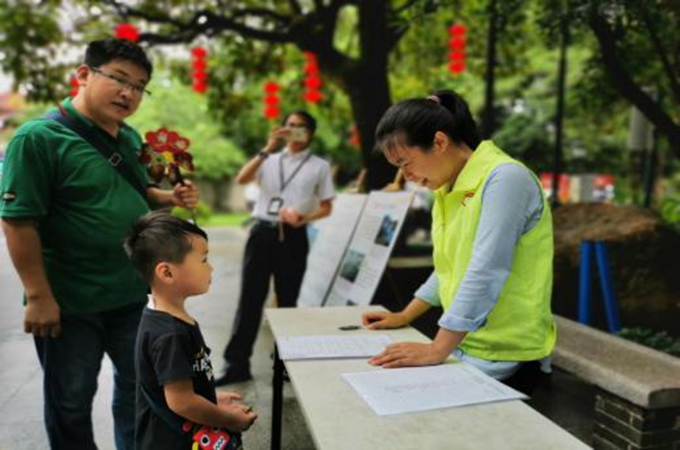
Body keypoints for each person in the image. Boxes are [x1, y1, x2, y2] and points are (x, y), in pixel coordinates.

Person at [0, 38, 199, 449]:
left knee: (139, 392)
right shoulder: (38, 139)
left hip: (131, 295)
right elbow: (18, 222)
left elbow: (139, 191)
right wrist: (38, 296)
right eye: (120, 79)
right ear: (83, 75)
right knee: (70, 401)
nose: (129, 93)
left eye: (140, 86)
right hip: (70, 302)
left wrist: (169, 198)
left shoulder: (126, 137)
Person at [362, 90, 556, 393]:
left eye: (405, 163)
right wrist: (404, 315)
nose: (405, 175)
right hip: (464, 345)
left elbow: (487, 268)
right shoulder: (446, 187)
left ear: (439, 142)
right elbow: (448, 266)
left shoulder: (504, 179)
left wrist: (437, 348)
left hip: (505, 353)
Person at [215, 111, 335, 385]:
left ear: (310, 133)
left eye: (300, 127)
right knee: (250, 300)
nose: (293, 131)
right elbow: (242, 179)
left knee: (288, 302)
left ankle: (283, 364)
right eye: (289, 125)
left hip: (293, 235)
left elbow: (327, 207)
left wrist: (304, 217)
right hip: (262, 233)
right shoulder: (269, 160)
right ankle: (236, 365)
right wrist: (267, 148)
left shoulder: (319, 166)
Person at [124, 212, 257, 450]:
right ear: (167, 273)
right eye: (204, 260)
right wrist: (228, 419)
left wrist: (209, 398)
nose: (211, 267)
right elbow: (182, 402)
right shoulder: (169, 335)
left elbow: (176, 388)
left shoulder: (165, 318)